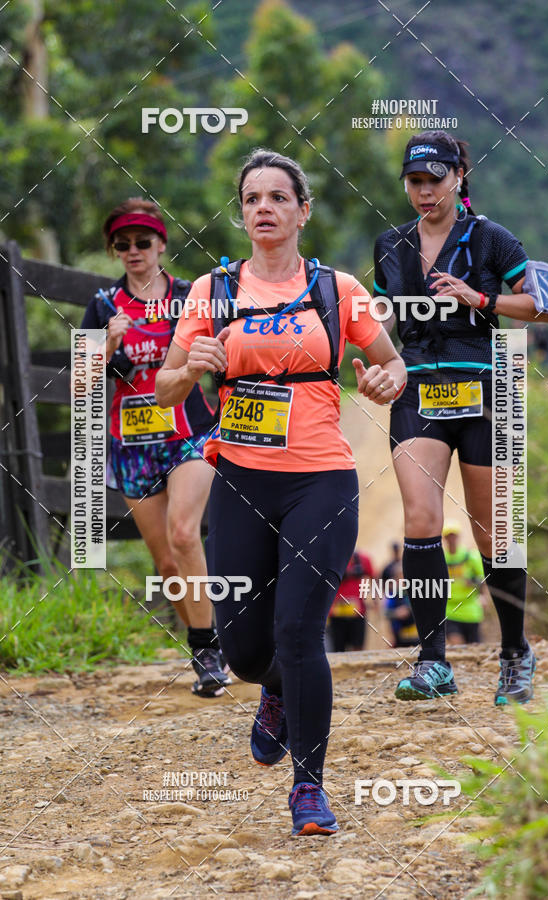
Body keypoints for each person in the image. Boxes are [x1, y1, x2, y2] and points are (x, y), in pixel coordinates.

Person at [156, 149, 406, 836]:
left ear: (303, 211)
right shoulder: (211, 291)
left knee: (299, 631)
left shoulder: (338, 289)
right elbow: (166, 388)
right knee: (242, 651)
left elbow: (392, 366)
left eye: (277, 197)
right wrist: (192, 367)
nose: (263, 207)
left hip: (321, 479)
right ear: (241, 215)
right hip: (240, 481)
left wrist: (384, 381)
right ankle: (271, 690)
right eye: (251, 199)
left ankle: (308, 789)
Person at [373, 130, 548, 705]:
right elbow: (377, 319)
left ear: (459, 178)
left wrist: (480, 299)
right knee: (420, 519)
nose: (424, 191)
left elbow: (544, 307)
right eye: (414, 181)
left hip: (488, 389)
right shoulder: (390, 245)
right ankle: (433, 661)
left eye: (435, 179)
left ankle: (515, 653)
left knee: (493, 529)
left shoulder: (490, 238)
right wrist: (373, 360)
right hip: (418, 392)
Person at [80, 198, 230, 697]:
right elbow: (80, 384)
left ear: (161, 245)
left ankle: (210, 651)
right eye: (122, 244)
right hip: (132, 445)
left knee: (185, 534)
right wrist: (106, 345)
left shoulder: (189, 297)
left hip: (189, 433)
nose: (133, 251)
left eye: (142, 242)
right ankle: (204, 643)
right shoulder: (103, 305)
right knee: (166, 563)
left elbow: (225, 352)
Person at [442, 520, 485, 645]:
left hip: (470, 608)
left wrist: (482, 595)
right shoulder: (441, 558)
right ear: (444, 538)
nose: (451, 539)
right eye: (448, 536)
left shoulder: (470, 556)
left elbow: (483, 578)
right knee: (457, 644)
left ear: (458, 536)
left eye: (453, 535)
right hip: (449, 609)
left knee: (473, 646)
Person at [327, 549, 375, 652]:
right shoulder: (330, 558)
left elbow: (373, 578)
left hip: (357, 612)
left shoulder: (363, 559)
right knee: (338, 649)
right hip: (336, 613)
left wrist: (374, 599)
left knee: (358, 649)